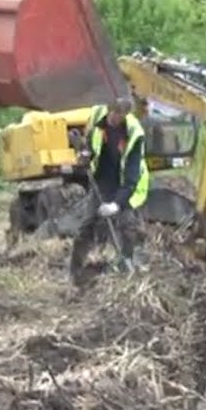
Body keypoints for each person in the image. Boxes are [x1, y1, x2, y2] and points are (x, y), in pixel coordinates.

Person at [69, 95, 150, 280]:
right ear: (108, 109)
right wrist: (85, 154)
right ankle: (75, 275)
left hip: (125, 186)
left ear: (126, 114)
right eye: (114, 113)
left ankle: (128, 270)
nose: (115, 118)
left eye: (121, 115)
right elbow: (90, 144)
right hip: (100, 182)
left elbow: (131, 178)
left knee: (128, 228)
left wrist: (116, 205)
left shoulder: (134, 133)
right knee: (86, 228)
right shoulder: (98, 115)